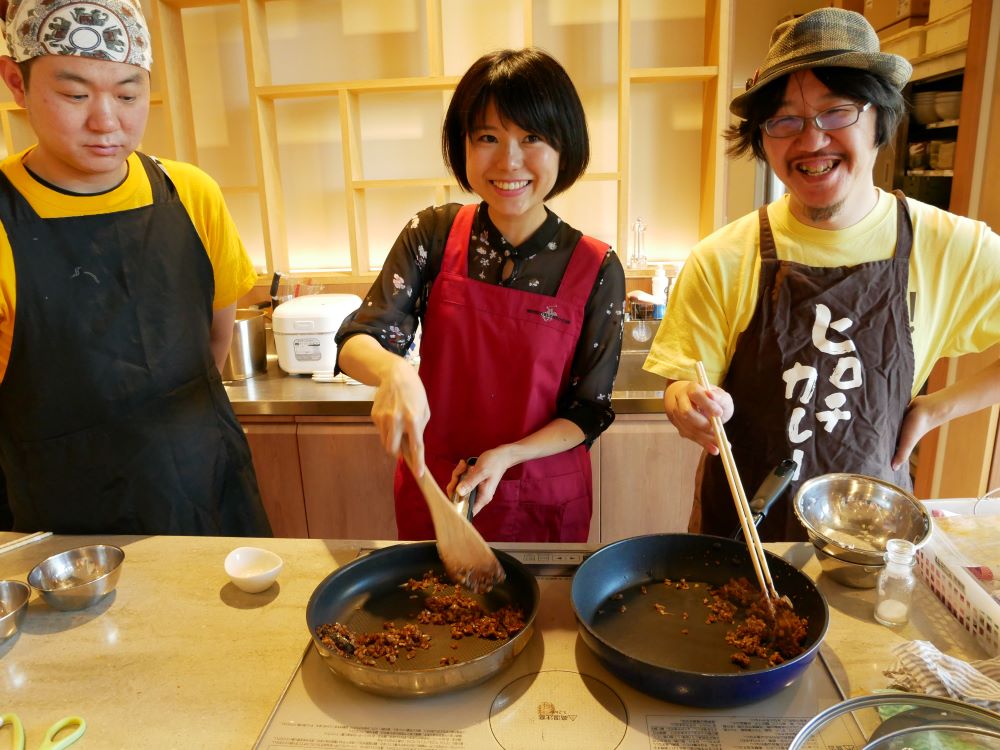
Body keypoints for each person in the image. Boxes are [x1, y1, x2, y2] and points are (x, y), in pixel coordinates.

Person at [644, 8, 1000, 541]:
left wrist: (935, 409)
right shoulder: (724, 257)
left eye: (836, 112)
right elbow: (683, 385)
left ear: (880, 119)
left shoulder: (953, 246)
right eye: (784, 120)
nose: (810, 142)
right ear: (762, 139)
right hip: (743, 539)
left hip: (873, 539)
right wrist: (685, 405)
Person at [0, 0, 272, 536]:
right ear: (16, 81)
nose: (106, 121)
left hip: (204, 490)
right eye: (74, 94)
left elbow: (214, 343)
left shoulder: (191, 193)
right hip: (62, 519)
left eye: (128, 94)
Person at [336, 48, 625, 543]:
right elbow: (359, 339)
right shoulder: (433, 233)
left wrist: (509, 454)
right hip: (439, 487)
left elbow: (589, 410)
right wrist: (394, 371)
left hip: (543, 495)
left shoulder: (596, 267)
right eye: (487, 137)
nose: (508, 161)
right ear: (462, 146)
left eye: (531, 137)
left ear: (565, 146)